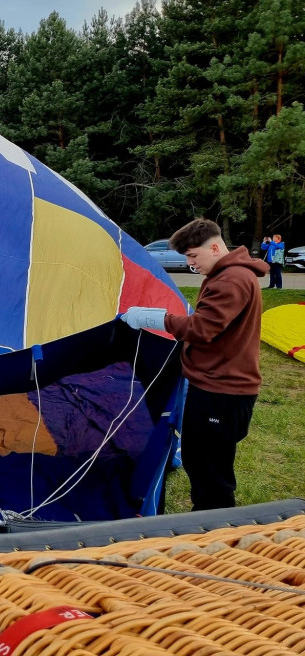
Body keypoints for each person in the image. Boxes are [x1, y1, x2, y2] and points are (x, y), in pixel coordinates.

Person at [122, 218, 268, 511]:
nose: (191, 263)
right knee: (198, 459)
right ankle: (206, 519)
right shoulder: (228, 275)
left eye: (193, 256)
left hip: (224, 392)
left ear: (214, 246)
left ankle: (214, 529)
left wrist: (153, 318)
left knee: (211, 470)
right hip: (214, 386)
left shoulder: (231, 280)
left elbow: (202, 328)